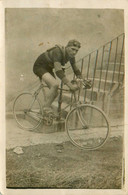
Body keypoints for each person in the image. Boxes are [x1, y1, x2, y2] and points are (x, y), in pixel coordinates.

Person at [33, 39, 82, 113]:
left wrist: (82, 79)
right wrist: (70, 85)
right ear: (67, 47)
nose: (74, 52)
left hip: (48, 68)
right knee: (55, 84)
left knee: (56, 92)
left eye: (76, 51)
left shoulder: (71, 56)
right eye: (73, 49)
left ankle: (43, 111)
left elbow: (76, 69)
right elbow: (59, 71)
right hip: (39, 66)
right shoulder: (58, 51)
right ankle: (45, 108)